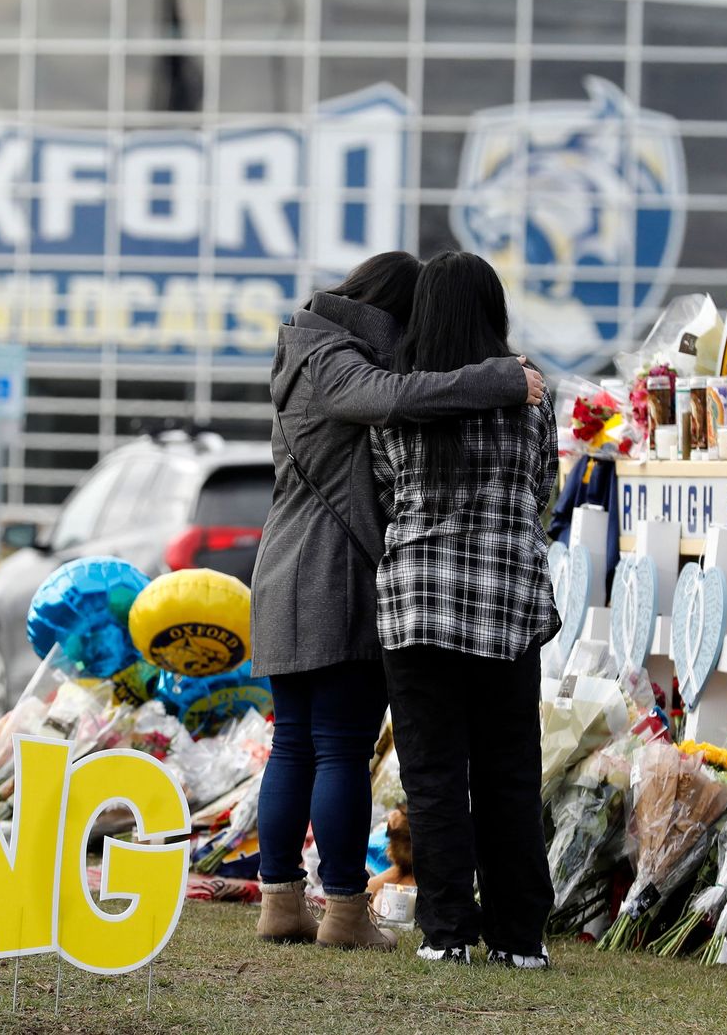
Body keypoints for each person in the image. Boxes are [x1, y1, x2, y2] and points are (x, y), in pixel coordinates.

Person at [250, 251, 543, 949]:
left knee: (297, 742)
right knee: (341, 746)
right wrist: (505, 377)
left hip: (287, 567)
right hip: (336, 572)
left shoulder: (306, 347)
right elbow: (395, 400)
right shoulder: (337, 362)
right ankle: (345, 910)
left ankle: (282, 902)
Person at [370, 251, 559, 969]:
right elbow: (543, 487)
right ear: (492, 310)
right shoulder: (530, 391)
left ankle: (446, 931)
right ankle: (520, 937)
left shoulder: (399, 396)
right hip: (506, 605)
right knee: (510, 771)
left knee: (434, 775)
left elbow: (384, 487)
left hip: (417, 603)